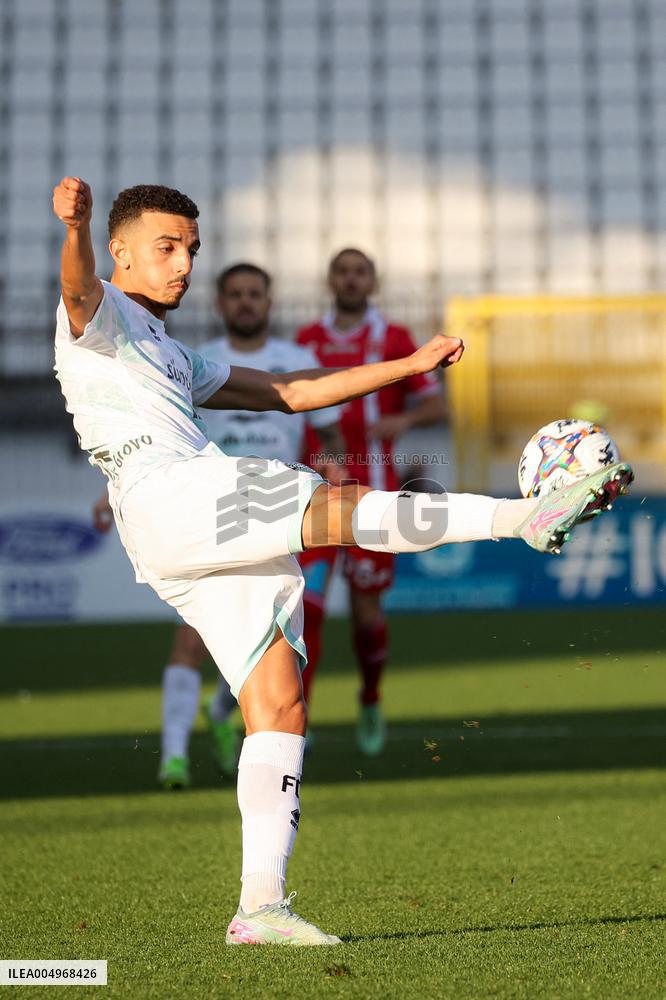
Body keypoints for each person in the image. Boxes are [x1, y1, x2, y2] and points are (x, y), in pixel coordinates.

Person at [52, 176, 631, 946]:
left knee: (280, 702)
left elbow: (292, 391)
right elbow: (77, 290)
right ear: (120, 252)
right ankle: (522, 517)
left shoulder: (172, 352)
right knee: (337, 508)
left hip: (174, 522)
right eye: (165, 248)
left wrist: (412, 363)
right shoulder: (98, 315)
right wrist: (76, 227)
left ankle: (260, 908)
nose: (183, 263)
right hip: (171, 492)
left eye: (191, 248)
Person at [96, 262, 343, 789]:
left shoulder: (297, 361)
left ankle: (229, 714)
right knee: (190, 642)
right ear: (222, 303)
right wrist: (109, 489)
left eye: (255, 293)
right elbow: (155, 438)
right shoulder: (192, 360)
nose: (246, 302)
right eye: (236, 294)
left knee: (272, 638)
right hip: (209, 508)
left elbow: (328, 432)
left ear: (269, 302)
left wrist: (336, 467)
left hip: (277, 510)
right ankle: (174, 757)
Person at [297, 248, 446, 755]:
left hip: (374, 498)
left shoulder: (395, 339)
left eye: (360, 272)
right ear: (330, 280)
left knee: (365, 615)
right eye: (342, 271)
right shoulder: (306, 342)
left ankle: (370, 697)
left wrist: (403, 421)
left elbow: (437, 401)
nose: (351, 280)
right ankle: (299, 718)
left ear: (373, 281)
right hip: (315, 496)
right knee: (306, 610)